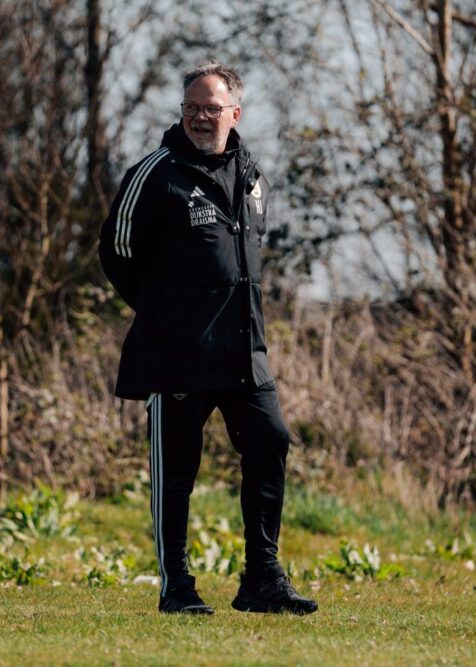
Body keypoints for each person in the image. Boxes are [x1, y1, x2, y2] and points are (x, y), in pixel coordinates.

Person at [98, 62, 317, 615]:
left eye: (211, 108)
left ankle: (261, 581)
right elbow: (116, 252)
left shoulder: (254, 177)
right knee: (176, 477)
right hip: (177, 359)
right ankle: (178, 587)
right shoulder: (155, 174)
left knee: (271, 445)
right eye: (191, 107)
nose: (199, 117)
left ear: (234, 114)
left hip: (246, 355)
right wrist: (163, 315)